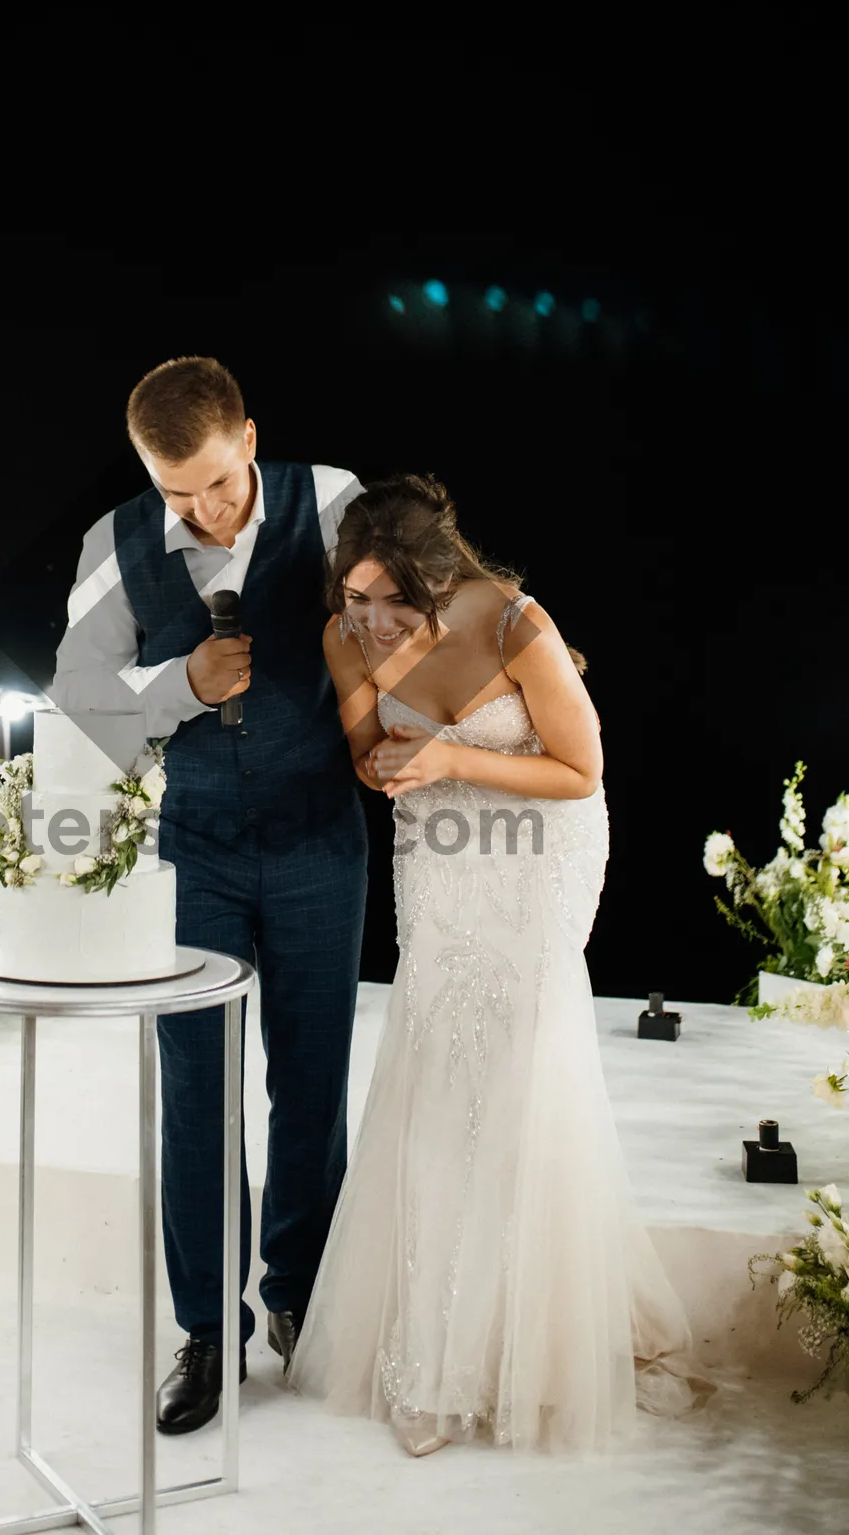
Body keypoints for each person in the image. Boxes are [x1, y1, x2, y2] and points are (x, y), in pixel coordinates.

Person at [287, 472, 711, 1455]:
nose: (373, 624)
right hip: (436, 853)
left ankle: (519, 1337)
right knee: (437, 1069)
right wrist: (388, 763)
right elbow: (367, 751)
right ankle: (431, 1355)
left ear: (438, 583)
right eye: (354, 602)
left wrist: (450, 759)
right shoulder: (344, 634)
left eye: (393, 603)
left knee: (521, 1072)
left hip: (542, 847)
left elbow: (581, 771)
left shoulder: (517, 623)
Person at [49, 356, 369, 1434]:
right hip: (198, 849)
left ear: (248, 438)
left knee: (313, 1077)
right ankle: (206, 1331)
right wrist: (180, 683)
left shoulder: (333, 500)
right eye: (176, 494)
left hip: (324, 834)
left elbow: (409, 620)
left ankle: (300, 1296)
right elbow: (78, 696)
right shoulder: (117, 543)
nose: (202, 512)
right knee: (197, 1092)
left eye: (219, 487)